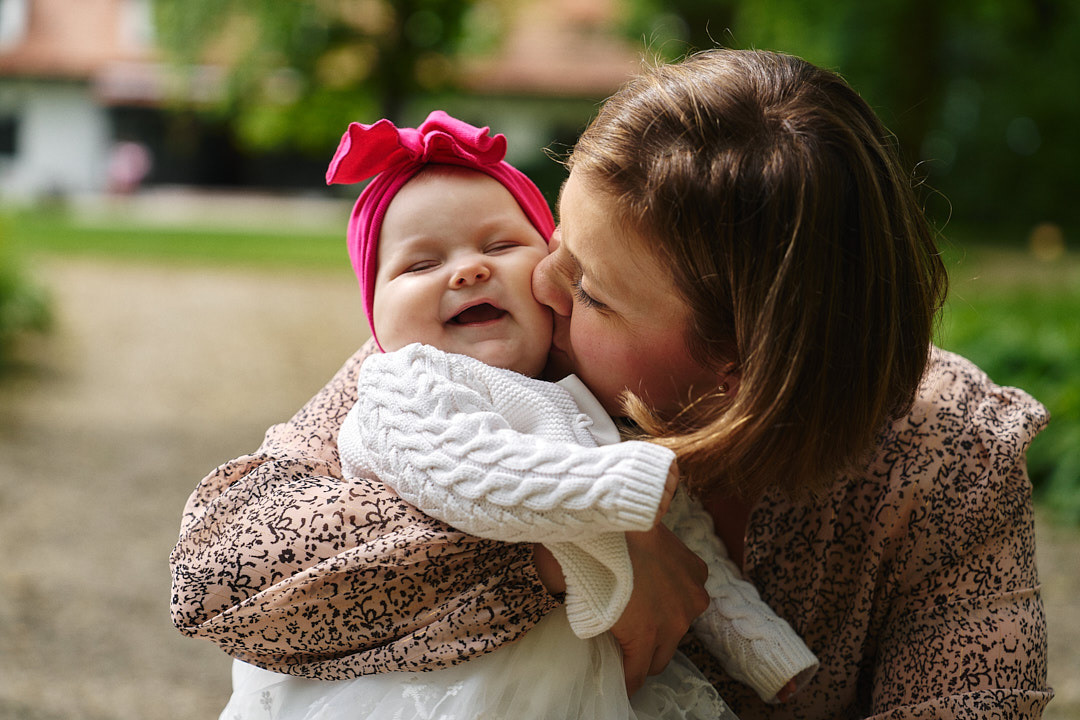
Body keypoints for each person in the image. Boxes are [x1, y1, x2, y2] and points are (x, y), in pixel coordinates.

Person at [171, 49, 1052, 718]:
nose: (540, 283)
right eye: (554, 239)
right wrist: (568, 553)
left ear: (742, 364)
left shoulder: (948, 460)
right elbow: (218, 576)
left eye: (591, 290)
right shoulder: (483, 362)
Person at [216, 111, 817, 719]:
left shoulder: (576, 393)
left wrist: (762, 648)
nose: (469, 269)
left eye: (501, 246)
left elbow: (684, 534)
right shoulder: (406, 385)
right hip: (449, 682)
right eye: (420, 265)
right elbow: (466, 470)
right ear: (376, 320)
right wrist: (608, 494)